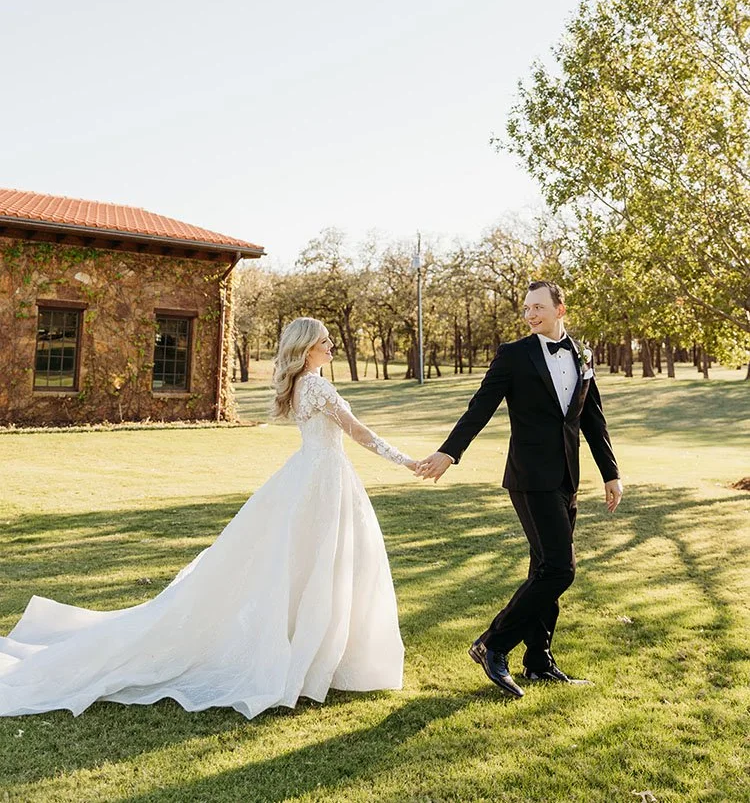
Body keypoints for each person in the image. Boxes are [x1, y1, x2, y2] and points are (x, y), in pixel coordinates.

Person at [0, 317, 416, 720]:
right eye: (324, 341)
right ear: (306, 349)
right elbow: (358, 432)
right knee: (319, 560)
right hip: (322, 479)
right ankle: (309, 655)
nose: (330, 346)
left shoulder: (302, 386)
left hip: (311, 476)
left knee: (308, 562)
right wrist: (407, 461)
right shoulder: (319, 387)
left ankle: (313, 650)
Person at [417, 280, 623, 698]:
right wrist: (449, 453)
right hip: (529, 477)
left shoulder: (583, 353)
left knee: (543, 568)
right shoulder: (514, 355)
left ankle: (538, 663)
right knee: (559, 569)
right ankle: (493, 644)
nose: (530, 315)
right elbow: (481, 406)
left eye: (538, 308)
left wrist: (610, 473)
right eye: (526, 308)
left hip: (568, 478)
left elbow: (592, 419)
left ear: (560, 310)